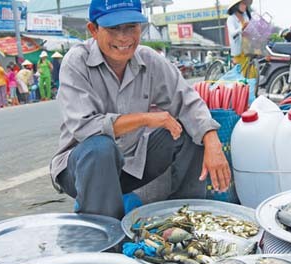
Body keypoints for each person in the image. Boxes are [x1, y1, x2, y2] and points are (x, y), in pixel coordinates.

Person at [50, 0, 230, 220]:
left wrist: (212, 140)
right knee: (100, 147)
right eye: (113, 28)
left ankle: (187, 218)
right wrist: (145, 118)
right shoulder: (76, 62)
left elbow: (188, 102)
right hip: (82, 171)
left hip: (132, 165)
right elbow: (85, 127)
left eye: (131, 27)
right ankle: (104, 231)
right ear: (93, 30)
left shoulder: (150, 60)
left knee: (190, 128)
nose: (124, 37)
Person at [226, 0, 256, 78]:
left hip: (248, 47)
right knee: (242, 74)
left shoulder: (246, 16)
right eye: (242, 4)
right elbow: (232, 33)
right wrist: (241, 28)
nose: (244, 6)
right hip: (238, 49)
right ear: (236, 6)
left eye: (245, 4)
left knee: (252, 72)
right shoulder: (231, 19)